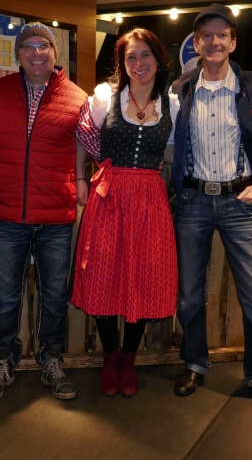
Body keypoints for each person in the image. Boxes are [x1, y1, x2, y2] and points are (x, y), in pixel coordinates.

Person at [169, 3, 252, 414]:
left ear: (233, 42)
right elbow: (169, 145)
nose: (214, 42)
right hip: (193, 202)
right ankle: (194, 363)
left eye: (222, 35)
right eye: (206, 35)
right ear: (196, 43)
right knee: (190, 296)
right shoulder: (181, 89)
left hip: (242, 202)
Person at [0, 22, 89, 402]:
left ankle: (51, 359)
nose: (36, 52)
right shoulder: (0, 90)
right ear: (18, 55)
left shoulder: (77, 97)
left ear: (55, 54)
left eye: (44, 45)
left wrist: (80, 177)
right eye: (28, 46)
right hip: (7, 213)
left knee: (54, 294)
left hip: (55, 215)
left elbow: (85, 143)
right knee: (5, 294)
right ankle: (4, 359)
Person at [71, 28, 178, 398]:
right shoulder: (105, 98)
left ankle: (128, 360)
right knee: (103, 274)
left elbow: (171, 153)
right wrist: (80, 178)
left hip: (150, 199)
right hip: (109, 195)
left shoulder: (172, 105)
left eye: (145, 54)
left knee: (145, 278)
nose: (138, 63)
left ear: (158, 60)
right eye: (131, 56)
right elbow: (82, 136)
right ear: (122, 62)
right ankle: (110, 357)